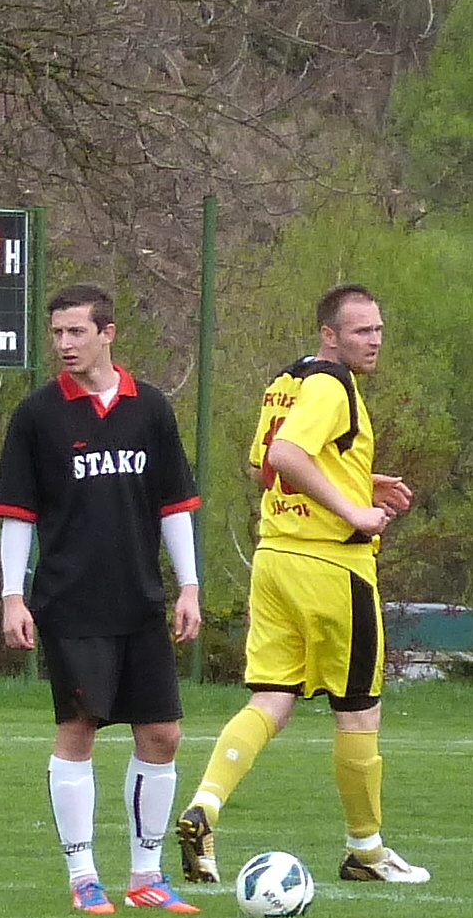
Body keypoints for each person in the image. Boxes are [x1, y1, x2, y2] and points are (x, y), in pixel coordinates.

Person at [177, 284, 429, 886]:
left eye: (378, 329)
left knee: (271, 700)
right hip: (332, 570)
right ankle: (365, 851)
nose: (374, 341)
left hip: (275, 560)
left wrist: (359, 480)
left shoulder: (285, 382)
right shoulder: (332, 385)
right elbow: (289, 455)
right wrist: (355, 512)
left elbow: (268, 463)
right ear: (329, 335)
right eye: (361, 331)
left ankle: (204, 807)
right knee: (359, 713)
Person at [0, 283, 204, 914]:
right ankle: (84, 876)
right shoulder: (37, 415)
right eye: (56, 333)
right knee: (78, 729)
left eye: (76, 332)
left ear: (107, 333)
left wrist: (187, 585)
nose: (63, 344)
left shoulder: (151, 409)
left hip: (140, 600)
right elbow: (17, 516)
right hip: (68, 602)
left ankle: (147, 876)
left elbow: (174, 507)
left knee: (161, 734)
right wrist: (12, 595)